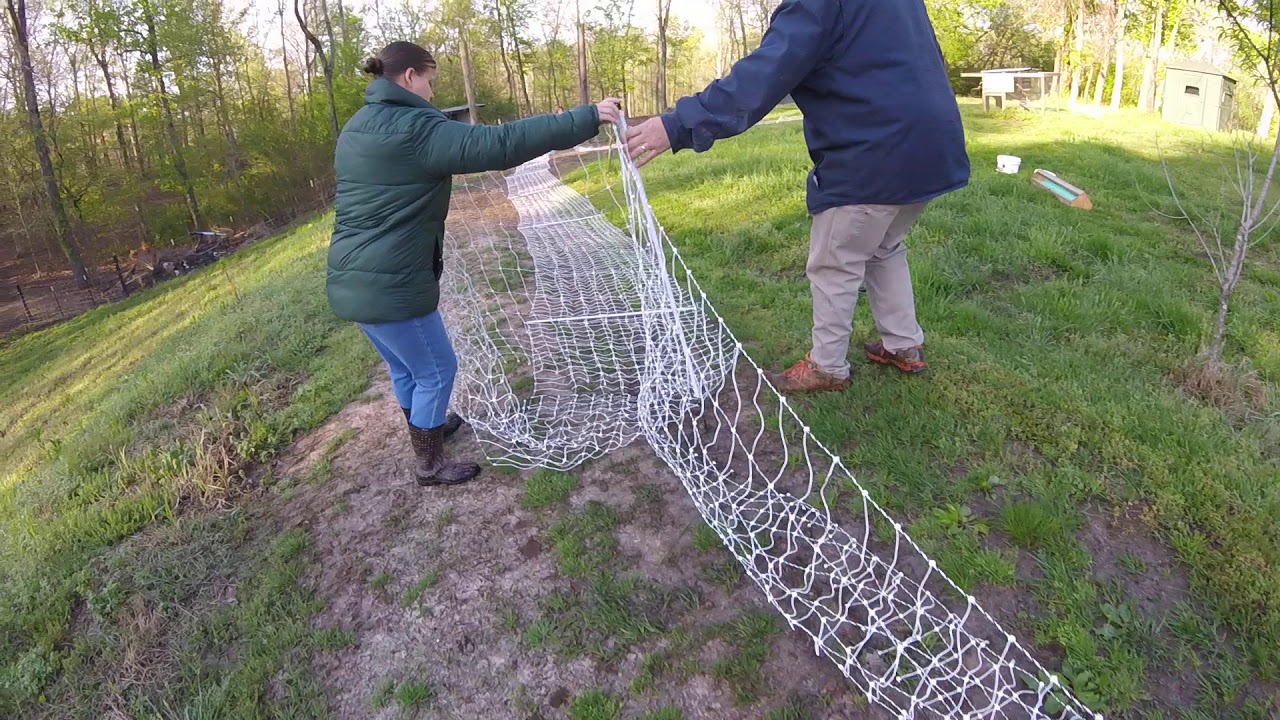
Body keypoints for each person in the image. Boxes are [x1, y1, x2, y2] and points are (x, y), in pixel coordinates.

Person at [625, 0, 970, 393]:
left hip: (874, 153)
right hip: (934, 145)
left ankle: (827, 367)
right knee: (884, 245)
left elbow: (764, 74)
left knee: (834, 262)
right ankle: (903, 345)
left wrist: (677, 124)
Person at [328, 41, 622, 487]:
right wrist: (586, 116)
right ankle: (429, 464)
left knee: (405, 367)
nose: (431, 92)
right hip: (392, 281)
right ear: (410, 76)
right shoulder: (414, 128)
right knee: (436, 368)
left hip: (352, 276)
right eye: (429, 80)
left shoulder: (358, 125)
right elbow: (500, 144)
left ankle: (427, 426)